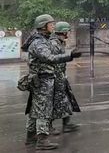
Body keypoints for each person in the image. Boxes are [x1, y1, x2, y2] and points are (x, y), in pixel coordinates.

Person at [21, 14, 81, 150]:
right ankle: (42, 140)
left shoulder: (43, 40)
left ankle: (31, 138)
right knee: (43, 111)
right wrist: (69, 56)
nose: (53, 26)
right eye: (51, 24)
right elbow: (49, 58)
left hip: (43, 79)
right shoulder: (39, 43)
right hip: (42, 80)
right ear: (43, 26)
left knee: (35, 110)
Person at [49, 21, 80, 134]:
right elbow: (53, 59)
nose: (69, 34)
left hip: (61, 76)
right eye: (67, 31)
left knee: (66, 100)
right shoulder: (54, 44)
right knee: (53, 102)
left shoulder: (60, 42)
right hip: (55, 77)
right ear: (63, 32)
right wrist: (70, 56)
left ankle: (66, 124)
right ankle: (48, 126)